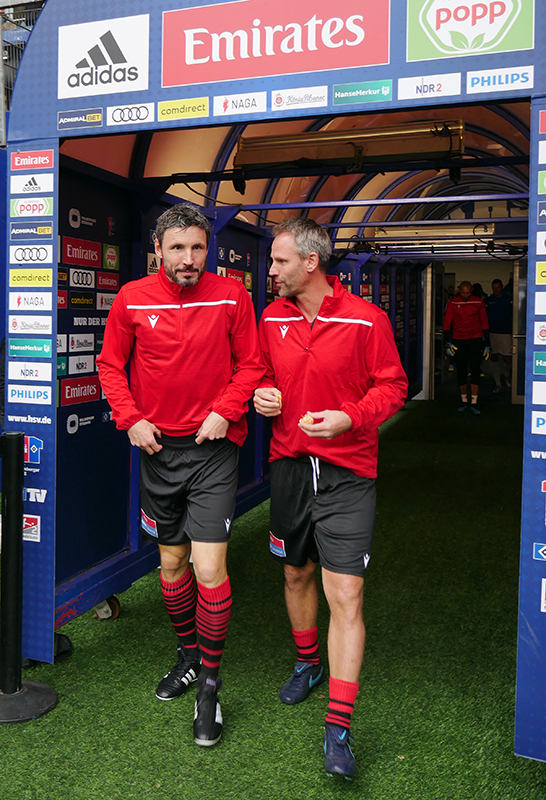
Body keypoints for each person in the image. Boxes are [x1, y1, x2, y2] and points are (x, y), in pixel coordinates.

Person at [97, 203, 264, 747]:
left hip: (213, 448)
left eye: (197, 248)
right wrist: (131, 419)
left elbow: (252, 366)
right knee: (171, 563)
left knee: (209, 565)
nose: (189, 258)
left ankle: (210, 686)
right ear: (158, 251)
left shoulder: (232, 295)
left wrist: (227, 409)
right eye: (178, 249)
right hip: (158, 449)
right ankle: (189, 654)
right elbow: (108, 365)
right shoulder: (131, 298)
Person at [253, 218, 407, 778]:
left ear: (311, 263)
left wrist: (351, 417)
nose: (270, 271)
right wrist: (262, 394)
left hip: (348, 472)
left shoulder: (367, 319)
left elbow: (393, 386)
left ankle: (338, 728)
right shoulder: (271, 317)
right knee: (296, 574)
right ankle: (306, 663)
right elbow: (262, 375)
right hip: (290, 467)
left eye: (279, 262)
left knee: (345, 594)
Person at [443, 280, 490, 414]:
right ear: (459, 290)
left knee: (475, 370)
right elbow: (447, 323)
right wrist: (447, 342)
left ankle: (474, 402)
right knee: (461, 371)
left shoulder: (478, 302)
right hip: (459, 340)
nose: (465, 295)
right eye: (463, 292)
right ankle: (464, 400)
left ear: (471, 291)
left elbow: (484, 321)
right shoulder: (453, 303)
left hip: (475, 339)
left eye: (468, 292)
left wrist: (487, 343)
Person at [485, 279, 513, 393]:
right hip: (492, 333)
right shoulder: (488, 300)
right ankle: (498, 383)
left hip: (506, 332)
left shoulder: (508, 300)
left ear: (502, 287)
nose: (496, 289)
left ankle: (507, 375)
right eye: (494, 288)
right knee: (494, 357)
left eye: (498, 287)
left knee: (508, 359)